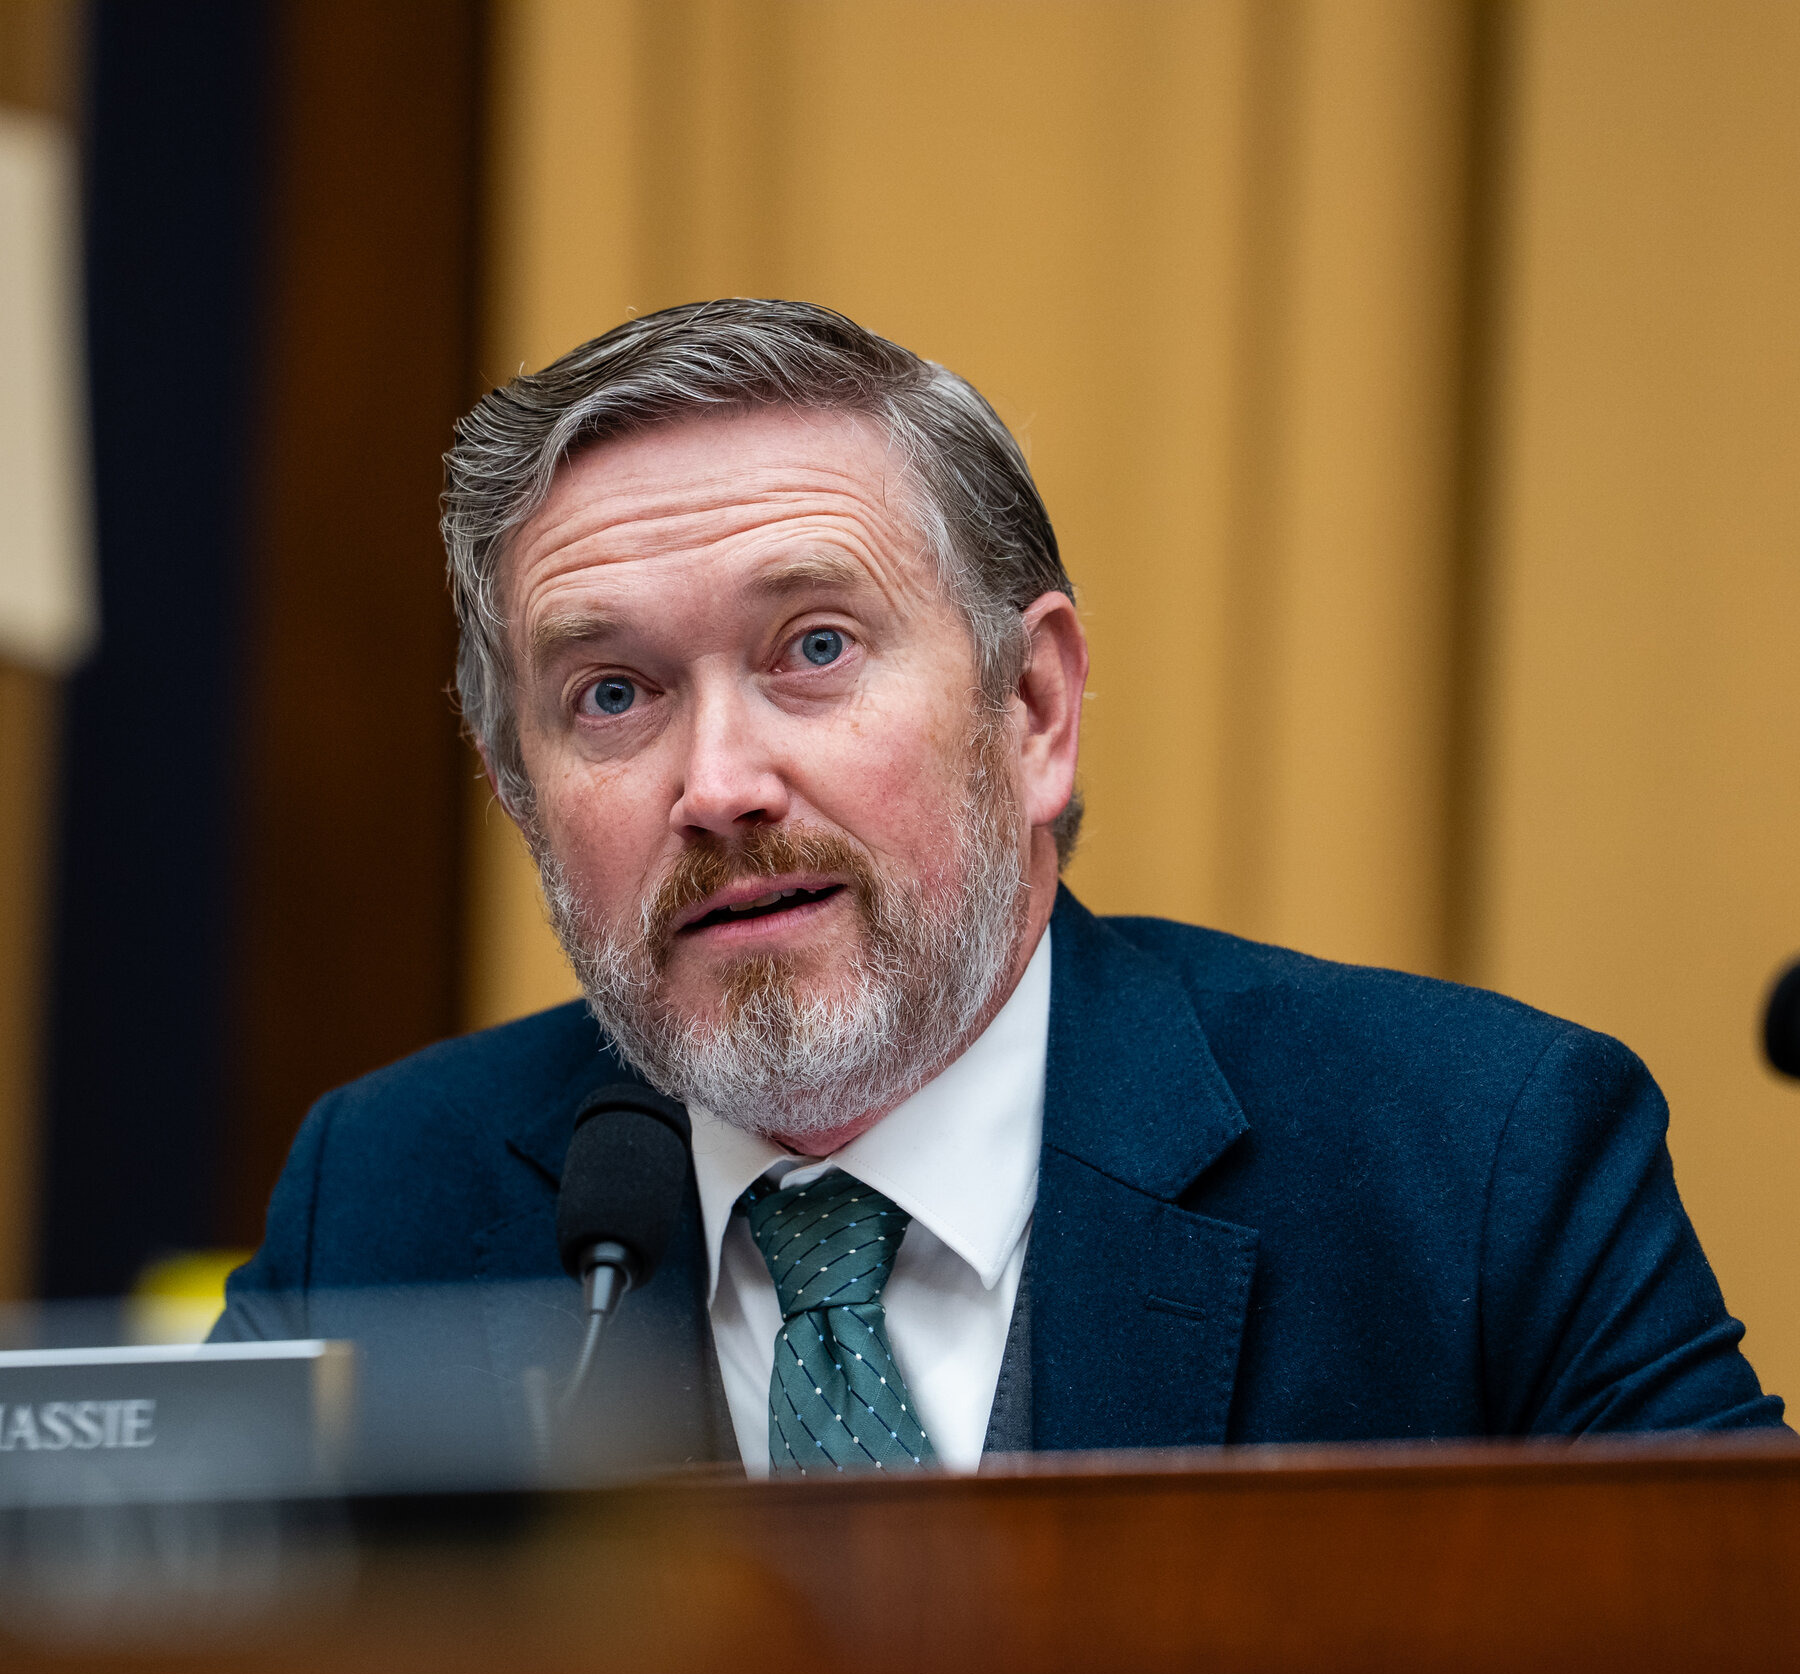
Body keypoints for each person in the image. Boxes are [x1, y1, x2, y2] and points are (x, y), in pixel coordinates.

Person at [217, 298, 1784, 1478]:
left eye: (814, 648)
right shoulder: (384, 1204)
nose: (719, 785)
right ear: (519, 795)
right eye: (611, 695)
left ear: (1032, 710)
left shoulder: (1475, 1159)